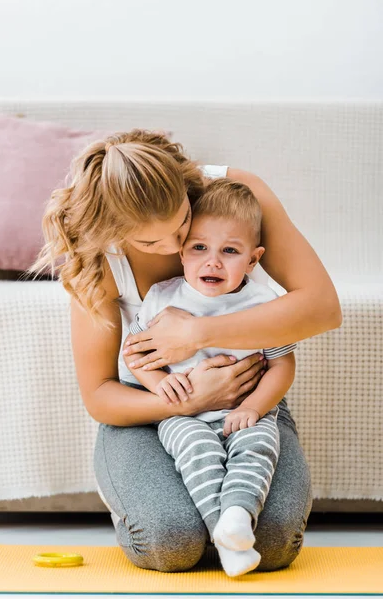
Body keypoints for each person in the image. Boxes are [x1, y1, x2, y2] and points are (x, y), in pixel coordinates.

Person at [31, 129, 342, 574]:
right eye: (151, 243)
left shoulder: (236, 195)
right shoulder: (100, 256)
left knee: (275, 545)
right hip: (154, 409)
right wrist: (191, 399)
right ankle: (161, 506)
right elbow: (100, 394)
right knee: (170, 543)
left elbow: (324, 309)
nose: (177, 248)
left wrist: (196, 333)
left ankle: (225, 525)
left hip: (245, 402)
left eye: (182, 225)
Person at [123, 178, 297, 577]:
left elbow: (282, 365)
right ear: (182, 252)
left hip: (245, 410)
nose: (212, 261)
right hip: (182, 415)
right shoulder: (164, 297)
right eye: (199, 248)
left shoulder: (263, 303)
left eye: (230, 251)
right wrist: (158, 384)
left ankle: (236, 516)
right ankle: (226, 533)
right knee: (196, 450)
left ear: (253, 261)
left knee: (256, 446)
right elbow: (135, 353)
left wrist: (254, 407)